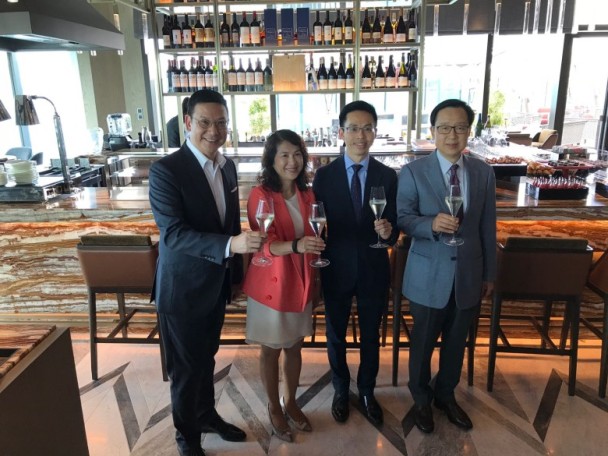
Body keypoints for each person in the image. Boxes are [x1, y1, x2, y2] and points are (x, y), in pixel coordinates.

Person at [149, 89, 264, 456]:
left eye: (221, 123)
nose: (214, 131)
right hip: (182, 290)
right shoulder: (167, 171)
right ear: (188, 122)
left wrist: (234, 275)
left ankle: (206, 415)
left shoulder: (226, 167)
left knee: (207, 357)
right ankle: (188, 439)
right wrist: (231, 245)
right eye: (204, 122)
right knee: (185, 370)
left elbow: (226, 222)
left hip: (215, 285)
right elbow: (174, 234)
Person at [396, 99, 497, 434]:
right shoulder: (413, 171)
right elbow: (403, 218)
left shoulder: (483, 172)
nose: (452, 135)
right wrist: (430, 224)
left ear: (469, 131)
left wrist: (489, 274)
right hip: (428, 275)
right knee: (423, 343)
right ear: (432, 131)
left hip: (469, 275)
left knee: (456, 343)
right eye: (444, 128)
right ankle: (421, 399)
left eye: (460, 127)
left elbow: (487, 226)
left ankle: (445, 395)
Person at [312, 100, 398, 426]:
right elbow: (317, 221)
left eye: (367, 128)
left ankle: (366, 390)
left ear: (375, 132)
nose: (361, 135)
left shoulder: (387, 176)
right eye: (353, 128)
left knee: (371, 335)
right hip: (336, 267)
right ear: (341, 132)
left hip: (374, 267)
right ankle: (339, 389)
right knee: (335, 334)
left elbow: (395, 223)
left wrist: (390, 232)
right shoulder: (324, 176)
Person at [242, 129, 325, 443]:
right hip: (272, 284)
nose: (293, 161)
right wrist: (297, 245)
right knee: (271, 349)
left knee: (295, 345)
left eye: (298, 154)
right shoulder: (261, 195)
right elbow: (264, 244)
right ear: (271, 160)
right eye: (285, 155)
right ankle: (273, 405)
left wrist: (314, 246)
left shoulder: (307, 195)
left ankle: (291, 401)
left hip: (301, 279)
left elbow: (314, 233)